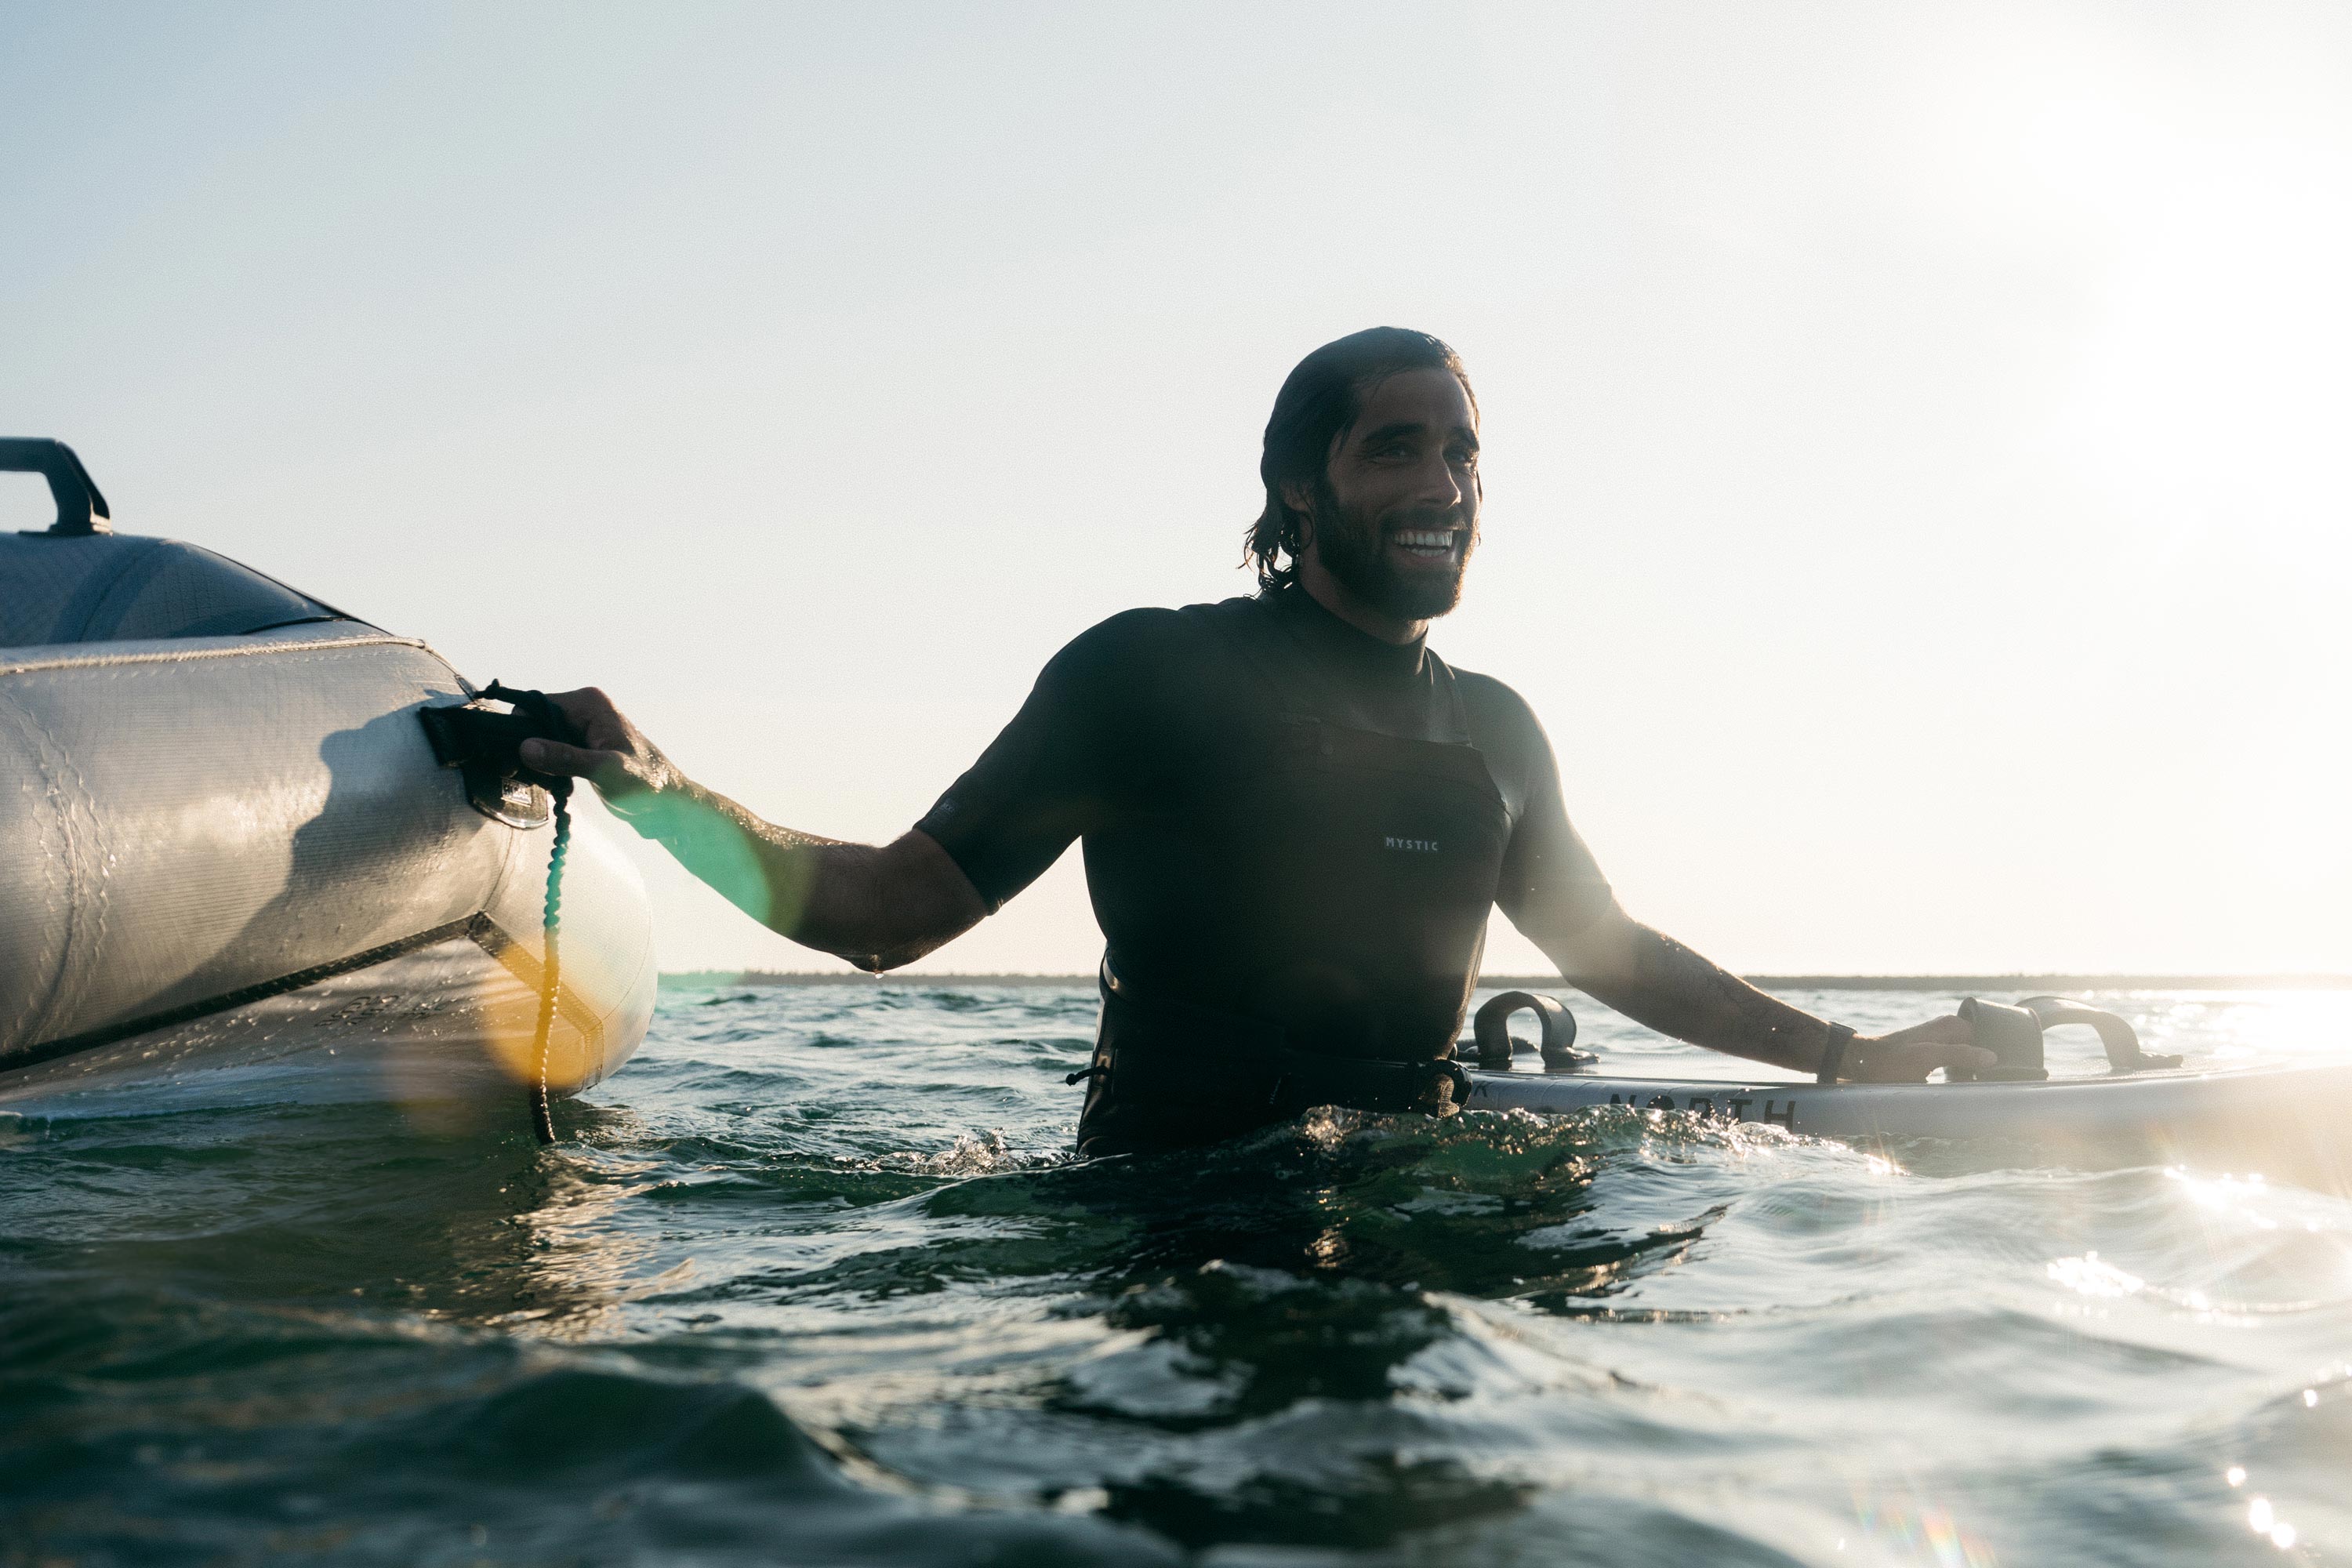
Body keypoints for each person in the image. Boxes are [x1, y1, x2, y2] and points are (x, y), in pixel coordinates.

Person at [521, 327, 1992, 1153]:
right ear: (1297, 485)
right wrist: (656, 793)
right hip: (1172, 1223)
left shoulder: (1495, 728)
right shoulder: (1151, 674)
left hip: (1420, 1203)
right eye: (1396, 445)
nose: (1445, 480)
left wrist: (1847, 1055)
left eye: (1465, 449)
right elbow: (891, 913)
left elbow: (1611, 951)